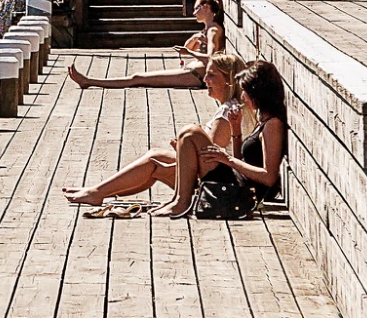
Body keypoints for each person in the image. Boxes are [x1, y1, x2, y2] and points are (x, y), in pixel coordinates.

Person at [62, 53, 247, 208]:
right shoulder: (232, 107)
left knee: (154, 160)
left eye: (212, 75)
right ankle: (99, 192)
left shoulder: (226, 114)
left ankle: (97, 193)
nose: (205, 80)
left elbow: (209, 158)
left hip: (216, 184)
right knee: (155, 157)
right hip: (216, 176)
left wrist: (180, 158)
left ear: (228, 81)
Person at [152, 59, 289, 218]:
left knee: (191, 133)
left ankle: (182, 203)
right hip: (236, 180)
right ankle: (178, 199)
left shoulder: (273, 125)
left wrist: (227, 159)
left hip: (242, 192)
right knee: (187, 134)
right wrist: (235, 130)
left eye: (245, 91)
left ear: (258, 91)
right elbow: (242, 160)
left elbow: (269, 177)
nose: (243, 97)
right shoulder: (264, 118)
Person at [66, 0, 225, 89]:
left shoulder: (213, 31)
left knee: (138, 78)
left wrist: (190, 53)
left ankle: (88, 81)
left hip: (196, 76)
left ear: (206, 8)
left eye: (197, 9)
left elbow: (212, 59)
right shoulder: (206, 30)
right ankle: (88, 81)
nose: (193, 12)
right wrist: (194, 40)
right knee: (138, 77)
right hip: (192, 71)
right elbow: (187, 47)